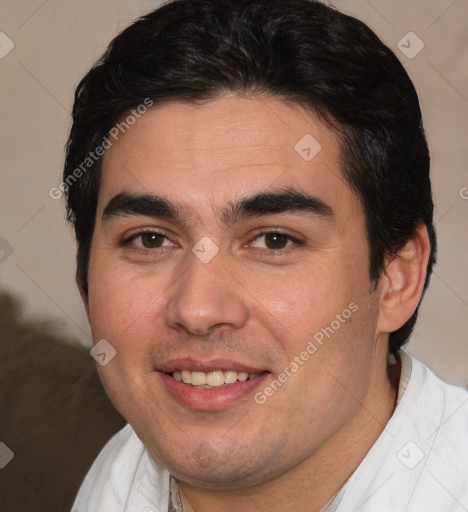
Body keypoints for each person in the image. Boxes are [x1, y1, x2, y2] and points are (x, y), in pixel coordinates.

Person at [63, 0, 468, 510]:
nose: (198, 310)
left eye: (275, 240)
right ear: (84, 278)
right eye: (150, 239)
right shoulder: (117, 478)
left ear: (396, 278)